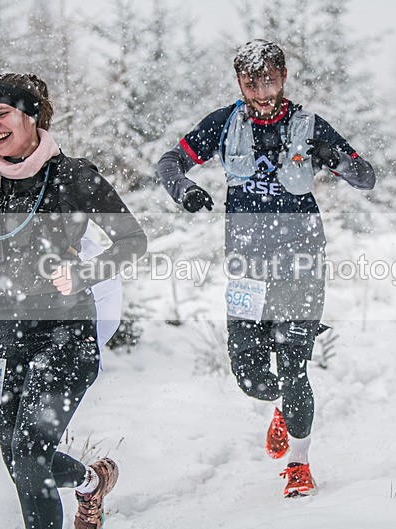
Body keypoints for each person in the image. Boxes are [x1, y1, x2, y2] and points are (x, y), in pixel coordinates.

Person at [156, 39, 375, 497]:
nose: (261, 91)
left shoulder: (308, 126)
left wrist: (350, 168)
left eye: (269, 80)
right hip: (246, 265)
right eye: (251, 82)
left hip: (301, 262)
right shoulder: (224, 124)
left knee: (295, 367)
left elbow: (362, 173)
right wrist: (185, 190)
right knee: (252, 377)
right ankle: (280, 407)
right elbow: (169, 162)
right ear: (240, 82)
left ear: (284, 77)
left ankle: (299, 463)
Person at [0, 73, 147, 529]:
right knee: (21, 464)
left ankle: (88, 485)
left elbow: (132, 240)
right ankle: (91, 482)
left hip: (66, 335)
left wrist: (85, 271)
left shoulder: (72, 176)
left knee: (29, 456)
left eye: (1, 113)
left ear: (31, 115)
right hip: (4, 336)